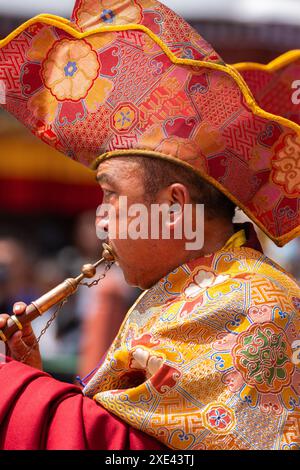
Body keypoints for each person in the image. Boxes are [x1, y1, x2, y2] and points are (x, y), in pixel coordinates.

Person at [0, 0, 299, 450]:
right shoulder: (185, 295)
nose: (101, 218)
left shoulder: (251, 301)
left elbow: (130, 451)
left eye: (112, 194)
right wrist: (36, 379)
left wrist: (16, 389)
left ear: (174, 207)